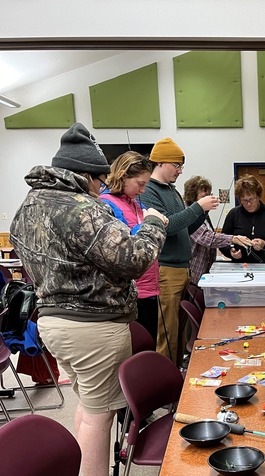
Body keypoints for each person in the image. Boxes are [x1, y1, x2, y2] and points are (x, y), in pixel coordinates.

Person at [9, 123, 168, 476]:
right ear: (85, 174)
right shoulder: (82, 208)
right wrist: (155, 223)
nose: (100, 188)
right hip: (93, 328)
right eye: (98, 181)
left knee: (90, 405)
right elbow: (134, 259)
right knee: (100, 416)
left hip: (52, 323)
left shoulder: (28, 206)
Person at [141, 138, 220, 366]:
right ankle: (164, 384)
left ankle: (176, 376)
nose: (179, 171)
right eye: (177, 165)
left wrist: (201, 213)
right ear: (162, 162)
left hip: (182, 270)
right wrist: (197, 207)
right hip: (167, 270)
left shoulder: (172, 191)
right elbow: (168, 226)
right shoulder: (150, 192)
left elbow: (184, 227)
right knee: (167, 332)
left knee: (179, 331)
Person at [101, 151, 159, 346]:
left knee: (149, 345)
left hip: (150, 288)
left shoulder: (134, 203)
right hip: (132, 293)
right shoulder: (107, 204)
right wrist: (151, 223)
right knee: (136, 350)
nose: (143, 190)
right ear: (123, 176)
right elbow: (124, 244)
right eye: (140, 184)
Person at [183, 175, 252, 285]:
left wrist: (231, 249)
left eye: (209, 195)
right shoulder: (190, 213)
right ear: (193, 196)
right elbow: (205, 237)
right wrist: (233, 239)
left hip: (205, 271)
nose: (209, 199)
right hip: (194, 273)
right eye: (204, 196)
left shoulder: (203, 213)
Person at [220, 175, 265, 263]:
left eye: (251, 199)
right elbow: (222, 242)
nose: (248, 204)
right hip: (239, 268)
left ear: (258, 196)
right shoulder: (233, 214)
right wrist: (231, 252)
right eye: (244, 201)